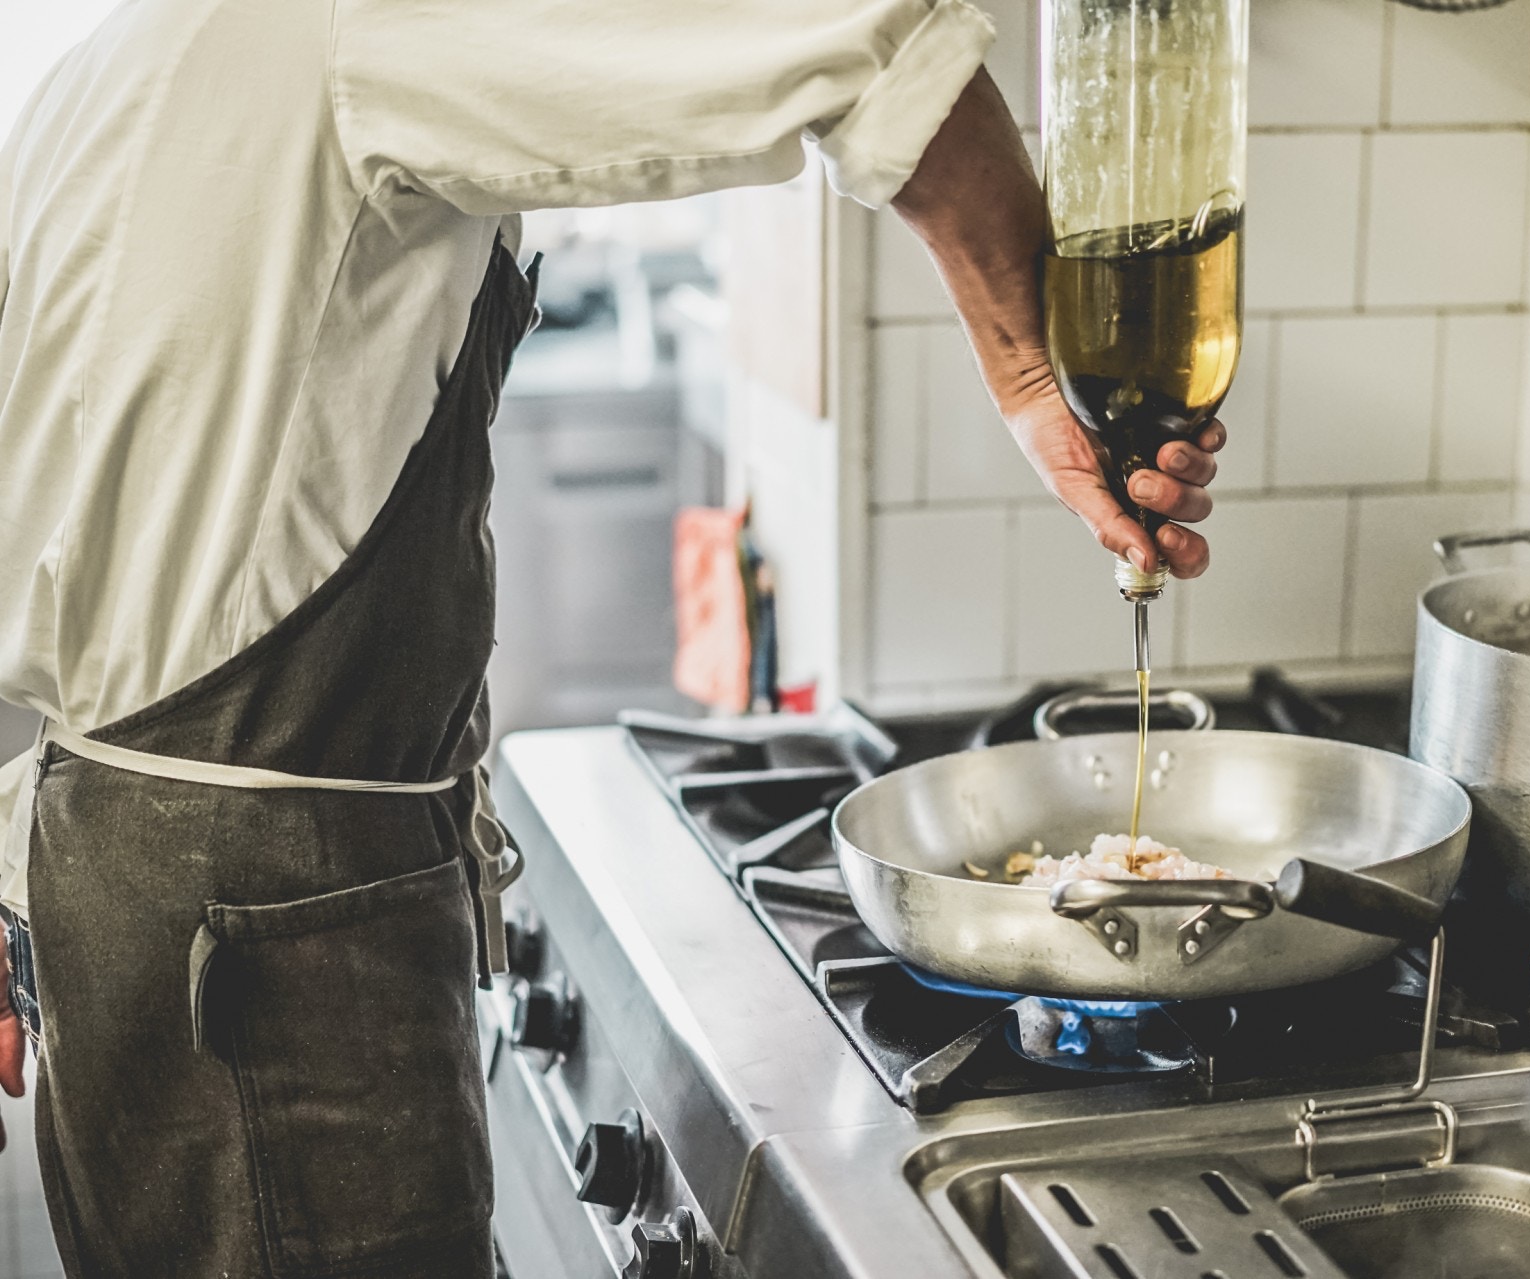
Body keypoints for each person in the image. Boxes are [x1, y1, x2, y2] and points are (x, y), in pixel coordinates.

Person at [0, 0, 1225, 1274]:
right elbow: (878, 49)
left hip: (99, 884)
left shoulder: (101, 69)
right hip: (262, 945)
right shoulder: (350, 25)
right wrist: (1036, 379)